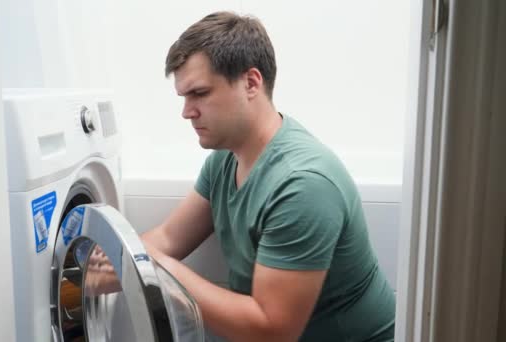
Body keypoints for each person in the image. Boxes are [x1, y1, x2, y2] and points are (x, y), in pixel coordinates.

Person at [142, 11, 396, 342]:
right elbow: (169, 237)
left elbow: (272, 330)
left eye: (200, 93)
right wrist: (113, 261)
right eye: (184, 96)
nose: (187, 111)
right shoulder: (225, 158)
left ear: (251, 83)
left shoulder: (304, 183)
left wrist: (161, 269)